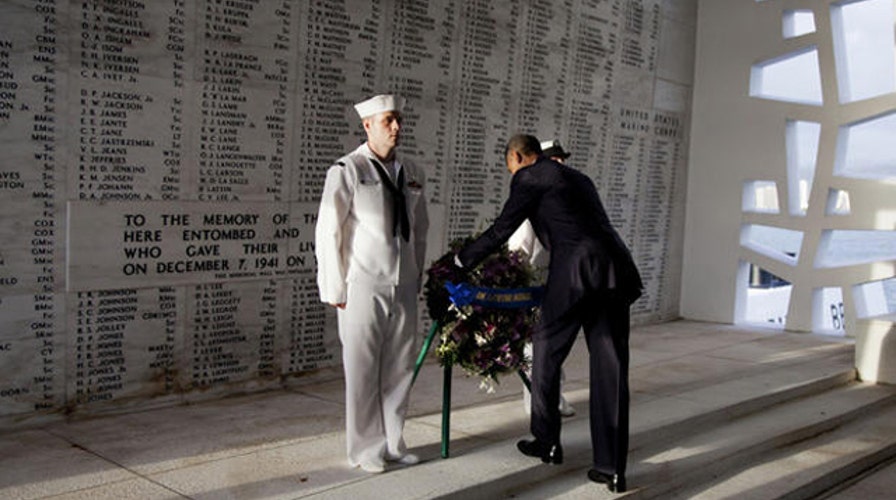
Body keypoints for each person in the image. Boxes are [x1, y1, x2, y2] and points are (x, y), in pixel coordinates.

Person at [455, 134, 642, 493]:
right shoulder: (579, 178)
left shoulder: (529, 176)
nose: (511, 173)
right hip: (615, 272)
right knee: (612, 369)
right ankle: (612, 468)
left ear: (517, 157)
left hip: (575, 274)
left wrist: (461, 261)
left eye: (510, 166)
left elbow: (502, 228)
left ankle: (547, 442)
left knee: (543, 350)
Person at [315, 94, 429, 474]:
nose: (396, 127)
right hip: (363, 283)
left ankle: (393, 443)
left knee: (400, 367)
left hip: (403, 282)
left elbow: (421, 229)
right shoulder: (347, 169)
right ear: (367, 125)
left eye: (398, 120)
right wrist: (334, 288)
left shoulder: (412, 170)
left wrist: (416, 275)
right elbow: (329, 231)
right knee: (363, 369)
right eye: (387, 121)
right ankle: (365, 449)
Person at [510, 139, 574, 419]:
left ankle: (554, 398)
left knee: (555, 347)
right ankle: (539, 404)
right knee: (536, 350)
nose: (560, 166)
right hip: (535, 284)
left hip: (558, 282)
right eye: (554, 161)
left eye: (562, 161)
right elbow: (518, 250)